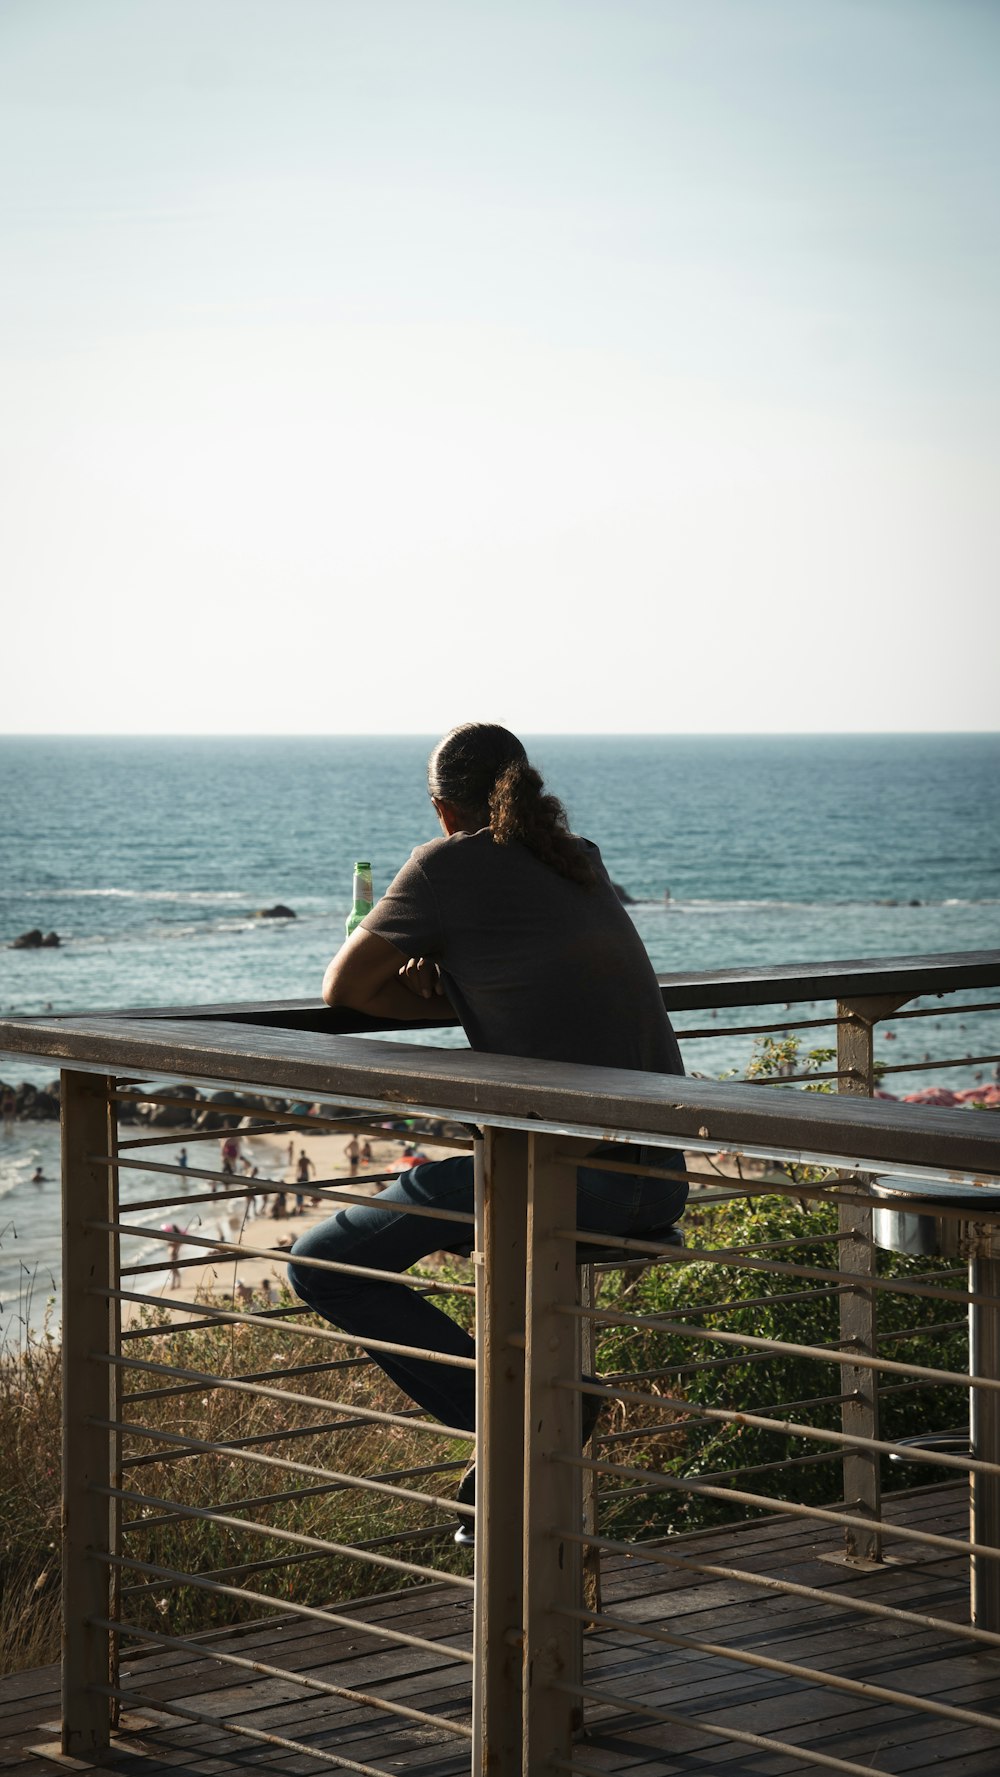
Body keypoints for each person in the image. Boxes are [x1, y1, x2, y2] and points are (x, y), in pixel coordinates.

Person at [288, 722, 687, 1539]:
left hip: (573, 1176)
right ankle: (531, 1421)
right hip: (656, 1174)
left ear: (442, 808)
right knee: (451, 1200)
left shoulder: (445, 864)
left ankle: (526, 1416)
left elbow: (343, 988)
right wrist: (464, 985)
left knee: (322, 1265)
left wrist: (436, 985)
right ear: (526, 786)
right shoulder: (578, 855)